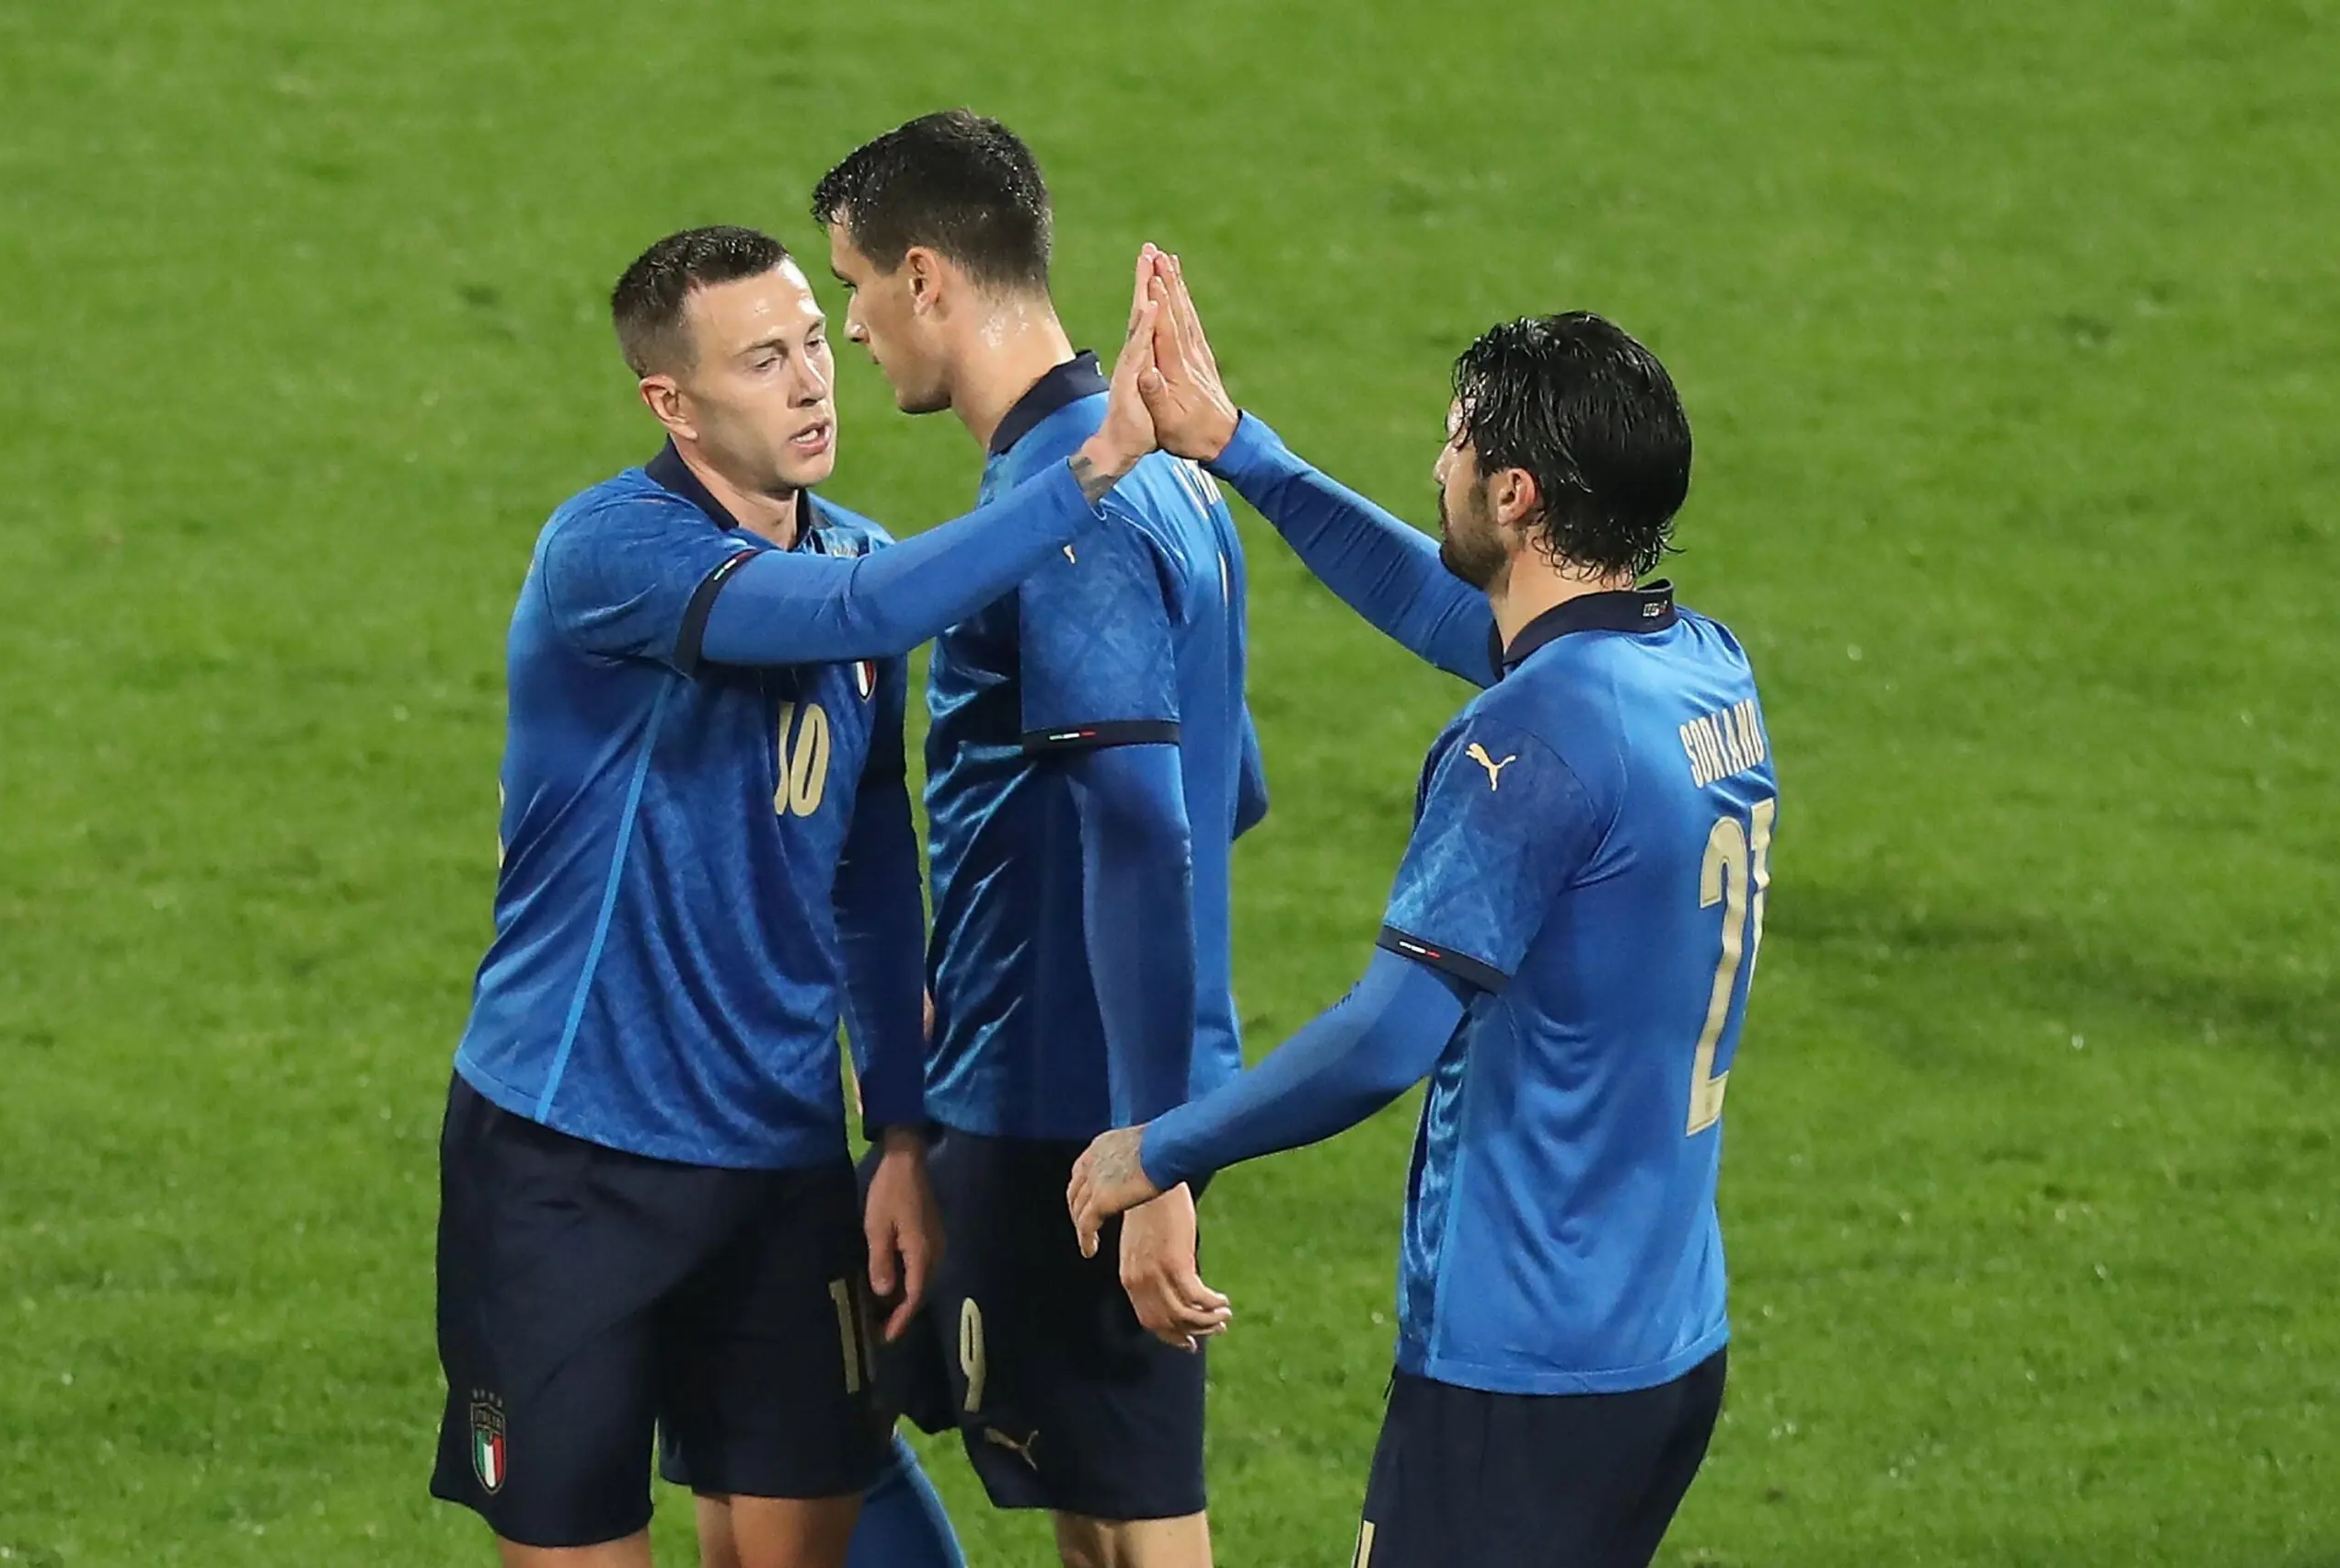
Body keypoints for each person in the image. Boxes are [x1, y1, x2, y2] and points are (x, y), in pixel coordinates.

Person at [430, 224, 1165, 1568]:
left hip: (779, 1166)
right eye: (763, 360)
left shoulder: (860, 554)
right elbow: (850, 613)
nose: (814, 380)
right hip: (568, 1158)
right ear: (673, 403)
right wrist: (1088, 469)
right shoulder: (610, 551)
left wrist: (900, 1133)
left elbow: (872, 872)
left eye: (815, 341)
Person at [1068, 253, 1779, 1568]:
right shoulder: (1695, 669)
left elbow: (1388, 1036)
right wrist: (1236, 446)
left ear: (1516, 496)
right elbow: (1444, 604)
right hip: (1662, 1336)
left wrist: (1156, 1147)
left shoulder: (1536, 742)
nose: (1436, 464)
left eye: (1457, 444)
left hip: (1524, 1362)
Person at [811, 115, 1265, 1568]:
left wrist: (1148, 1148)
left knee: (1131, 1527)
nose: (851, 330)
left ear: (926, 278)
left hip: (1070, 1104)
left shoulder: (1072, 508)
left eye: (855, 289)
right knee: (1093, 1512)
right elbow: (1230, 786)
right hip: (1094, 1077)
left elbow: (1140, 823)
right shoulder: (1164, 478)